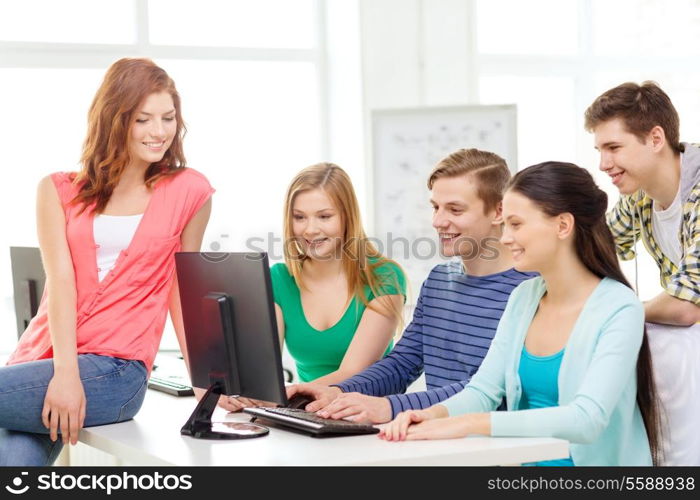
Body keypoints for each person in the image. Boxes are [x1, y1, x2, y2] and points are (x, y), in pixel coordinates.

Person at [0, 58, 214, 466]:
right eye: (142, 119)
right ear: (114, 120)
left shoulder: (190, 190)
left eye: (168, 118)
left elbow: (182, 290)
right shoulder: (58, 190)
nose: (159, 131)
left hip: (116, 372)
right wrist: (64, 374)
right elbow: (60, 283)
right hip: (40, 362)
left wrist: (204, 383)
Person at [380, 162, 662, 467]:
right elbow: (482, 390)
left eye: (516, 224)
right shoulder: (524, 297)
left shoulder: (619, 307)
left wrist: (470, 424)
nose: (504, 238)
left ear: (562, 226)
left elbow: (587, 419)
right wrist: (430, 415)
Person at [285, 149, 534, 424]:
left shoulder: (531, 289)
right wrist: (335, 391)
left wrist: (390, 407)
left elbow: (487, 389)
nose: (438, 221)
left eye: (454, 209)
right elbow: (402, 364)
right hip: (438, 442)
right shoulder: (440, 281)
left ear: (499, 211)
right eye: (435, 207)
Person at [229, 162, 406, 412]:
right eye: (299, 217)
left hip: (367, 416)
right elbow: (264, 365)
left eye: (324, 216)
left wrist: (285, 394)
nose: (310, 230)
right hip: (307, 411)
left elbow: (353, 372)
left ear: (348, 217)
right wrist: (246, 392)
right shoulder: (280, 279)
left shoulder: (383, 277)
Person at [585, 81, 700, 465]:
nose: (603, 164)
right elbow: (591, 250)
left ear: (655, 138)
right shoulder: (639, 198)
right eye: (600, 150)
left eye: (614, 148)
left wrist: (614, 311)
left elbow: (687, 305)